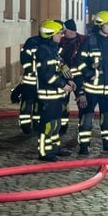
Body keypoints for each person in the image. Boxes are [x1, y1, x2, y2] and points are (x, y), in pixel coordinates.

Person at [75, 10, 108, 155]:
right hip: (91, 90)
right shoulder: (89, 42)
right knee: (87, 120)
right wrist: (89, 73)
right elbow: (79, 62)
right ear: (100, 25)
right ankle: (84, 146)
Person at [34, 20, 76, 161]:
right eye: (59, 33)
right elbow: (47, 75)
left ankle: (54, 148)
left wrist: (68, 80)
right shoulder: (43, 51)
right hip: (48, 95)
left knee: (56, 123)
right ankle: (44, 152)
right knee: (48, 125)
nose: (61, 36)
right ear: (50, 34)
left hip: (57, 95)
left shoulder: (53, 50)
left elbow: (59, 69)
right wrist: (62, 85)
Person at [58, 19, 86, 135]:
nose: (64, 33)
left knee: (83, 102)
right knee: (63, 103)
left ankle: (82, 127)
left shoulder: (83, 40)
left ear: (72, 30)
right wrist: (61, 69)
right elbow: (56, 57)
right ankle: (62, 127)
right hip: (64, 77)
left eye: (66, 31)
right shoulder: (61, 41)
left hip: (79, 78)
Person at [14, 28, 44, 134]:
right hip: (29, 82)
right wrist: (31, 70)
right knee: (27, 105)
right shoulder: (32, 42)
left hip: (42, 82)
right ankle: (25, 126)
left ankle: (37, 126)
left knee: (39, 105)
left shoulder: (51, 43)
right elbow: (24, 58)